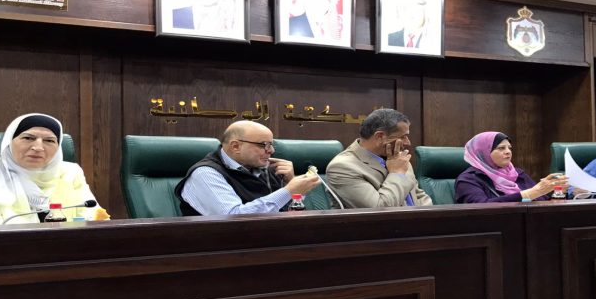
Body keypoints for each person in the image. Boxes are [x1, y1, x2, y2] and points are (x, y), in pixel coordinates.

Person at [0, 113, 105, 225]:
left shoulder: (71, 172)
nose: (38, 147)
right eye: (28, 138)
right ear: (9, 141)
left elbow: (94, 218)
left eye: (49, 140)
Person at [176, 120, 320, 215]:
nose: (271, 151)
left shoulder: (267, 168)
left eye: (271, 144)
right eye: (264, 145)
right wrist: (289, 191)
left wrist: (290, 184)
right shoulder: (205, 173)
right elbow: (234, 218)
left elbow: (287, 214)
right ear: (236, 146)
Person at [326, 108, 432, 208]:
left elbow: (419, 197)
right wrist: (396, 174)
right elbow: (379, 209)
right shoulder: (342, 168)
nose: (408, 143)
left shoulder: (400, 159)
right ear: (380, 136)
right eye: (403, 137)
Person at [455, 132, 568, 203]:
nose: (508, 152)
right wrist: (529, 194)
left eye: (509, 148)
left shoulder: (518, 174)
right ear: (483, 153)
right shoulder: (468, 179)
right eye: (501, 148)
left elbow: (540, 200)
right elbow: (481, 207)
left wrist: (556, 193)